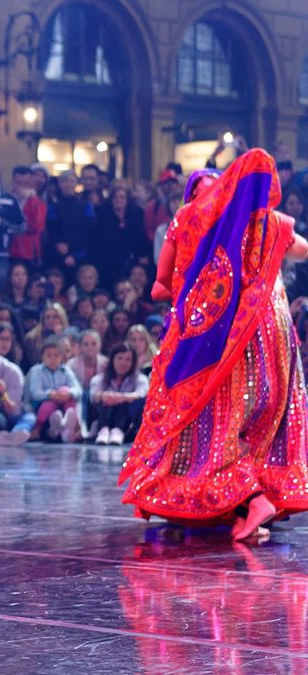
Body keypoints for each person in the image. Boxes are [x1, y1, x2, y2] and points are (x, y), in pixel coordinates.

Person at [121, 150, 308, 541]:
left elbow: (161, 285)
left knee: (209, 421)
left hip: (223, 338)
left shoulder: (188, 218)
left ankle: (247, 500)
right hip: (275, 336)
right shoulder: (267, 221)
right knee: (259, 421)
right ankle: (250, 506)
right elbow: (301, 249)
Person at [25, 336, 83, 443]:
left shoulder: (66, 370)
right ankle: (37, 428)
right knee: (50, 403)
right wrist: (50, 394)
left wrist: (68, 394)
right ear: (42, 357)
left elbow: (78, 390)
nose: (53, 359)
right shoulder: (36, 371)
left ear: (61, 357)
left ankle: (74, 427)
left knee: (68, 393)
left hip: (63, 403)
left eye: (56, 355)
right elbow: (35, 393)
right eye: (49, 356)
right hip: (42, 405)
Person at [90, 342, 148, 445]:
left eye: (128, 359)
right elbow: (93, 395)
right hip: (103, 416)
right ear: (112, 359)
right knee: (105, 401)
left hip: (128, 424)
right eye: (119, 358)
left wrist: (121, 398)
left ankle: (118, 431)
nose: (123, 363)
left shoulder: (140, 378)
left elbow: (141, 394)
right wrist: (104, 396)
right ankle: (104, 430)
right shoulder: (100, 378)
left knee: (128, 403)